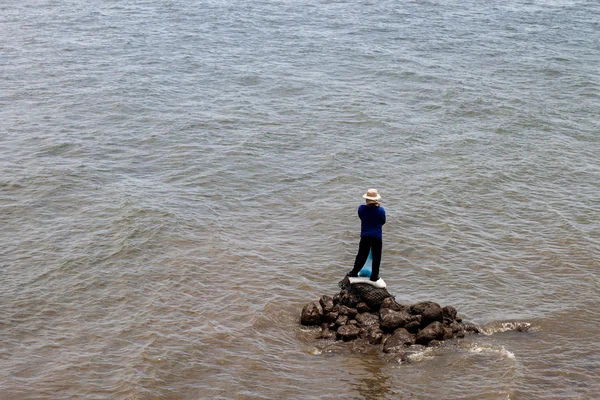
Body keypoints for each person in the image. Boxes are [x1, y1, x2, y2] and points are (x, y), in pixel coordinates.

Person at [347, 188, 386, 281]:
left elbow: (361, 217)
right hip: (377, 236)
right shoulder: (381, 210)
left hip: (365, 235)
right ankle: (374, 276)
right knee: (377, 257)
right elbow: (383, 221)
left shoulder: (361, 208)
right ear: (376, 199)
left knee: (361, 255)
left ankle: (354, 272)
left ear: (366, 199)